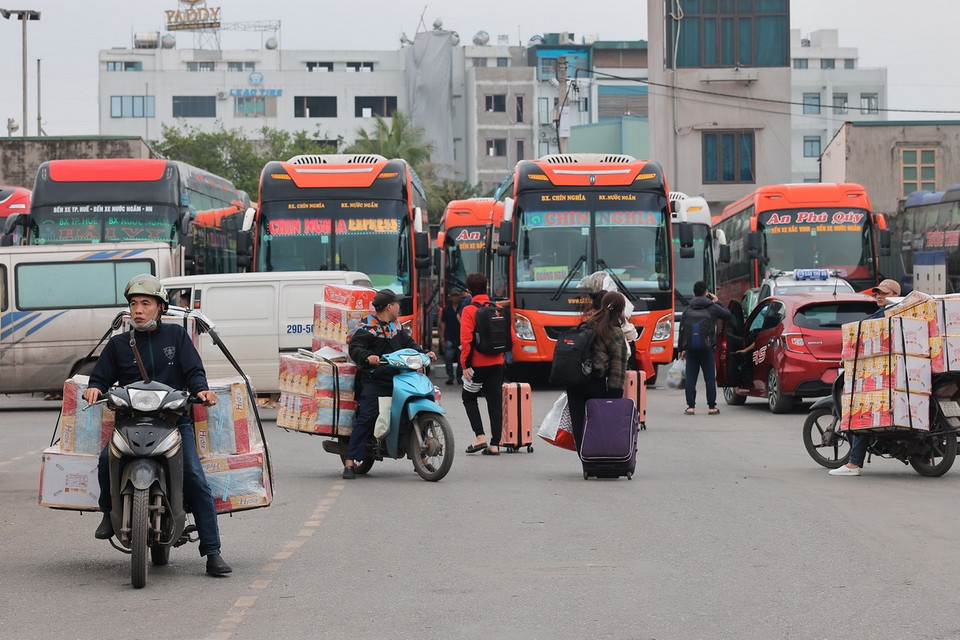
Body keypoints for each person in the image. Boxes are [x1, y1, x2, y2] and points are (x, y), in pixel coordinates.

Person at [82, 274, 232, 577]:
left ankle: (212, 551)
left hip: (174, 422)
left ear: (160, 307)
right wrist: (94, 388)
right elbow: (100, 377)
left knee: (194, 477)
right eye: (134, 304)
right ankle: (107, 514)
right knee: (103, 461)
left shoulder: (177, 337)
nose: (138, 310)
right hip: (130, 421)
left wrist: (201, 390)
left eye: (146, 304)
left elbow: (194, 372)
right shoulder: (119, 344)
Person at [345, 288, 436, 478]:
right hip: (375, 380)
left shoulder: (396, 327)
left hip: (399, 378)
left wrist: (424, 352)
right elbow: (355, 348)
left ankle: (422, 457)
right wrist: (368, 356)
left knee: (416, 412)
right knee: (368, 416)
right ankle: (350, 461)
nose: (399, 307)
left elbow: (409, 344)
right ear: (389, 306)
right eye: (397, 304)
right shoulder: (366, 327)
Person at [829, 278, 902, 476]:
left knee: (859, 411)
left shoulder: (884, 316)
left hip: (881, 374)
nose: (879, 296)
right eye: (878, 293)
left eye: (884, 293)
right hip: (897, 373)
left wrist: (848, 357)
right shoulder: (903, 313)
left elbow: (863, 340)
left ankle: (853, 464)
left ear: (896, 295)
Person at [566, 291, 630, 452]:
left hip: (574, 382)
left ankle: (585, 460)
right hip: (595, 383)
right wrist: (613, 399)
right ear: (621, 310)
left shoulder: (587, 324)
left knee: (579, 425)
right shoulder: (614, 333)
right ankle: (598, 459)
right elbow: (617, 370)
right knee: (598, 425)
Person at [459, 272, 506, 455]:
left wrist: (464, 365)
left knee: (468, 397)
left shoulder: (469, 310)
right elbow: (509, 336)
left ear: (469, 290)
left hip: (477, 366)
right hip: (496, 363)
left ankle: (480, 436)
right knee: (495, 402)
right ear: (486, 287)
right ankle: (495, 444)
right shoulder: (497, 307)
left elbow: (466, 340)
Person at [678, 281, 732, 415]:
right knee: (709, 378)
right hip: (707, 348)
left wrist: (680, 349)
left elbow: (682, 329)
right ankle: (711, 407)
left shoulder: (687, 308)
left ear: (693, 294)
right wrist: (717, 301)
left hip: (690, 348)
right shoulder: (712, 307)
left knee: (691, 378)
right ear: (706, 293)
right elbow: (728, 315)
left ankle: (691, 407)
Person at [438, 289, 466, 385]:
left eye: (456, 295)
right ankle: (450, 376)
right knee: (448, 357)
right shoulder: (446, 309)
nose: (455, 297)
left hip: (460, 337)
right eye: (453, 295)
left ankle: (459, 377)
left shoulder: (462, 309)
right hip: (449, 337)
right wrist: (442, 337)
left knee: (460, 358)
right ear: (450, 297)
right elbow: (443, 323)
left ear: (459, 297)